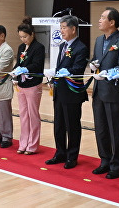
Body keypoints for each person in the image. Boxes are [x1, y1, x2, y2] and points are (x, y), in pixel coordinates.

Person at [90, 7, 119, 179]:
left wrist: (108, 73)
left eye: (102, 17)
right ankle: (104, 160)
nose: (99, 20)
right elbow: (96, 59)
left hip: (113, 91)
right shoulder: (99, 40)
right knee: (100, 129)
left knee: (115, 130)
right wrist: (93, 65)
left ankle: (117, 164)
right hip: (99, 90)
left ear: (112, 22)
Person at [44, 15, 89, 169]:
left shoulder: (81, 48)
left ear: (73, 29)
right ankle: (60, 153)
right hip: (59, 92)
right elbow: (59, 67)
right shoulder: (63, 46)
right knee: (59, 125)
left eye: (64, 27)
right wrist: (53, 72)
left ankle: (72, 156)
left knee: (72, 126)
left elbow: (78, 69)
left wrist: (66, 72)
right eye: (60, 27)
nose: (61, 30)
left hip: (72, 93)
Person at [12, 17, 45, 155]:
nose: (23, 40)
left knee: (33, 115)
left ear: (32, 34)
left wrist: (25, 69)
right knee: (23, 115)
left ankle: (32, 145)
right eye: (20, 37)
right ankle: (23, 142)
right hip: (22, 85)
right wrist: (14, 71)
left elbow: (37, 65)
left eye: (25, 37)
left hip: (33, 84)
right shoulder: (21, 47)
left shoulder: (39, 47)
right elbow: (19, 63)